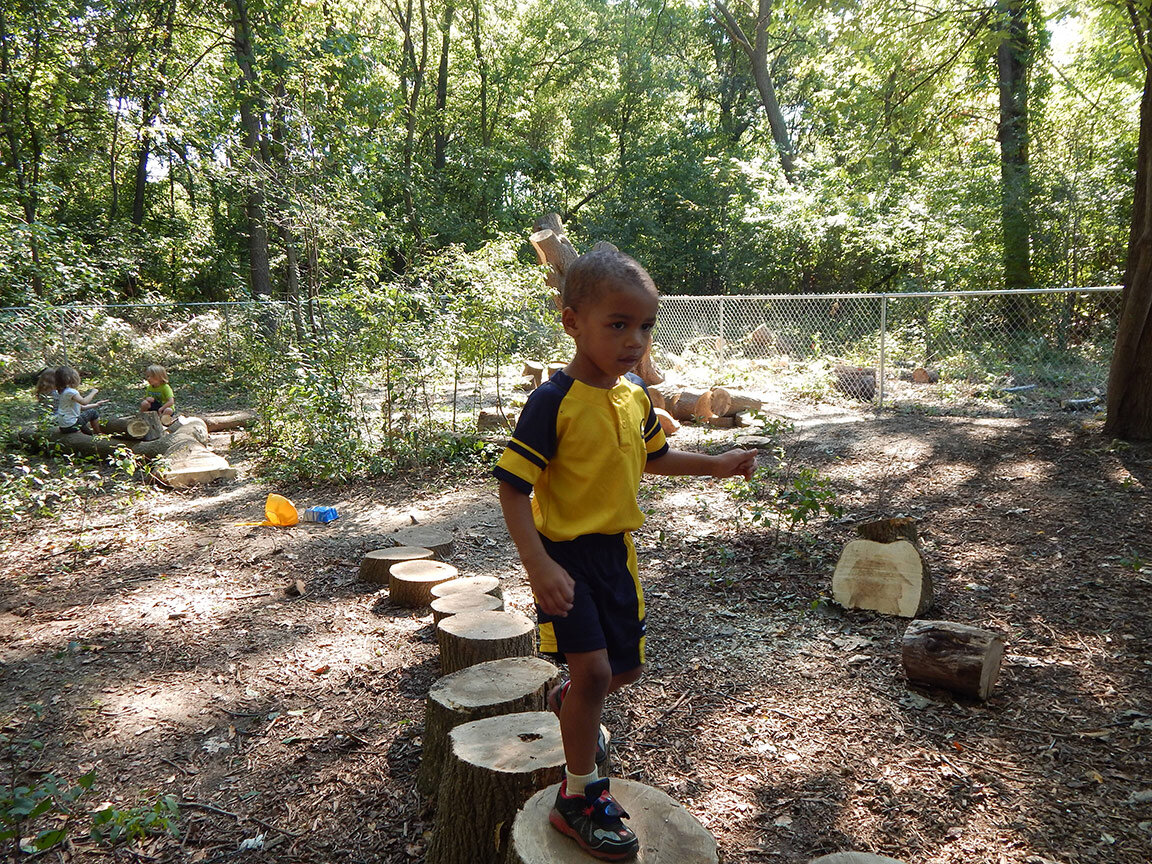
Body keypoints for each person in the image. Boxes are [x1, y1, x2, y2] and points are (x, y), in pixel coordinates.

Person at [494, 249, 755, 860]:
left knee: (622, 671)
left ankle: (568, 703)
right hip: (566, 562)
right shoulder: (552, 402)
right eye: (617, 324)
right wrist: (538, 566)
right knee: (596, 673)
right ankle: (578, 798)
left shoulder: (635, 397)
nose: (634, 340)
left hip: (618, 558)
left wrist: (714, 465)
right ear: (571, 322)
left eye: (645, 326)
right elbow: (511, 488)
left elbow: (656, 458)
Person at [54, 366, 108, 435]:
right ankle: (98, 433)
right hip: (72, 424)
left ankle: (90, 433)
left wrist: (96, 404)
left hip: (64, 426)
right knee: (93, 413)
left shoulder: (61, 391)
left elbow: (81, 407)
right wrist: (93, 392)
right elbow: (84, 402)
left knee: (85, 426)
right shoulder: (71, 392)